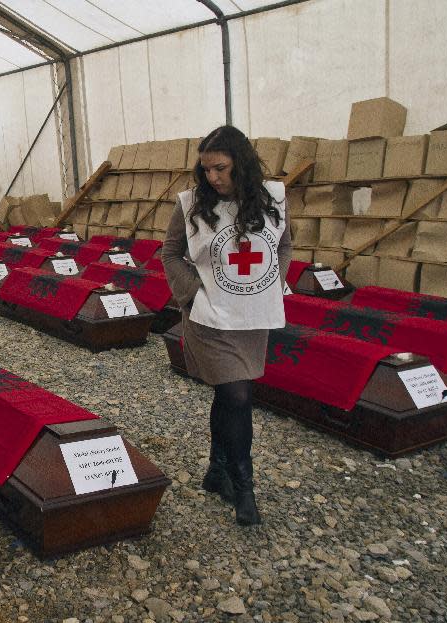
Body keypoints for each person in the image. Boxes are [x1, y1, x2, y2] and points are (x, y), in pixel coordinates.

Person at [161, 125, 292, 526]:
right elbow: (170, 253)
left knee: (227, 393)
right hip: (210, 316)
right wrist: (194, 293)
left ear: (241, 163)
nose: (213, 177)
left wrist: (271, 281)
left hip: (251, 317)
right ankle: (244, 488)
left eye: (221, 168)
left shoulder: (273, 199)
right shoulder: (191, 204)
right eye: (207, 170)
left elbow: (284, 244)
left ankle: (217, 471)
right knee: (237, 395)